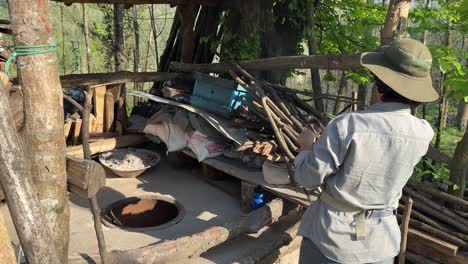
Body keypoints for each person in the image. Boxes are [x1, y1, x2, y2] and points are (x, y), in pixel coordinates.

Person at [294, 38, 439, 264]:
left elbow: (307, 178)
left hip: (333, 240)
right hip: (382, 243)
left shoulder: (347, 126)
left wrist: (306, 148)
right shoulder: (423, 132)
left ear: (379, 82)